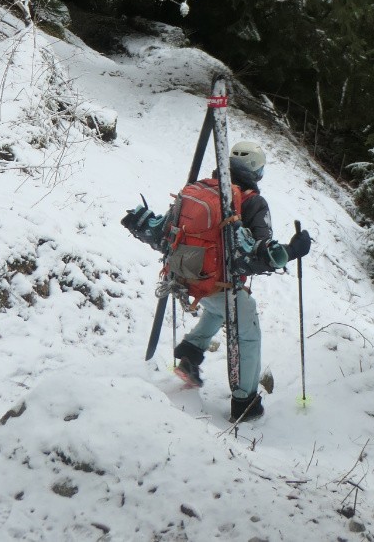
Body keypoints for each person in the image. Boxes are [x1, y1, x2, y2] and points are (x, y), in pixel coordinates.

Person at [123, 140, 311, 422]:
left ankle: (190, 352)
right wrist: (294, 250)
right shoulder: (252, 202)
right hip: (218, 282)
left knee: (217, 307)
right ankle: (245, 402)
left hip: (187, 274)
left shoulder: (201, 188)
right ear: (255, 172)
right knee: (247, 331)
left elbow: (168, 229)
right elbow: (261, 254)